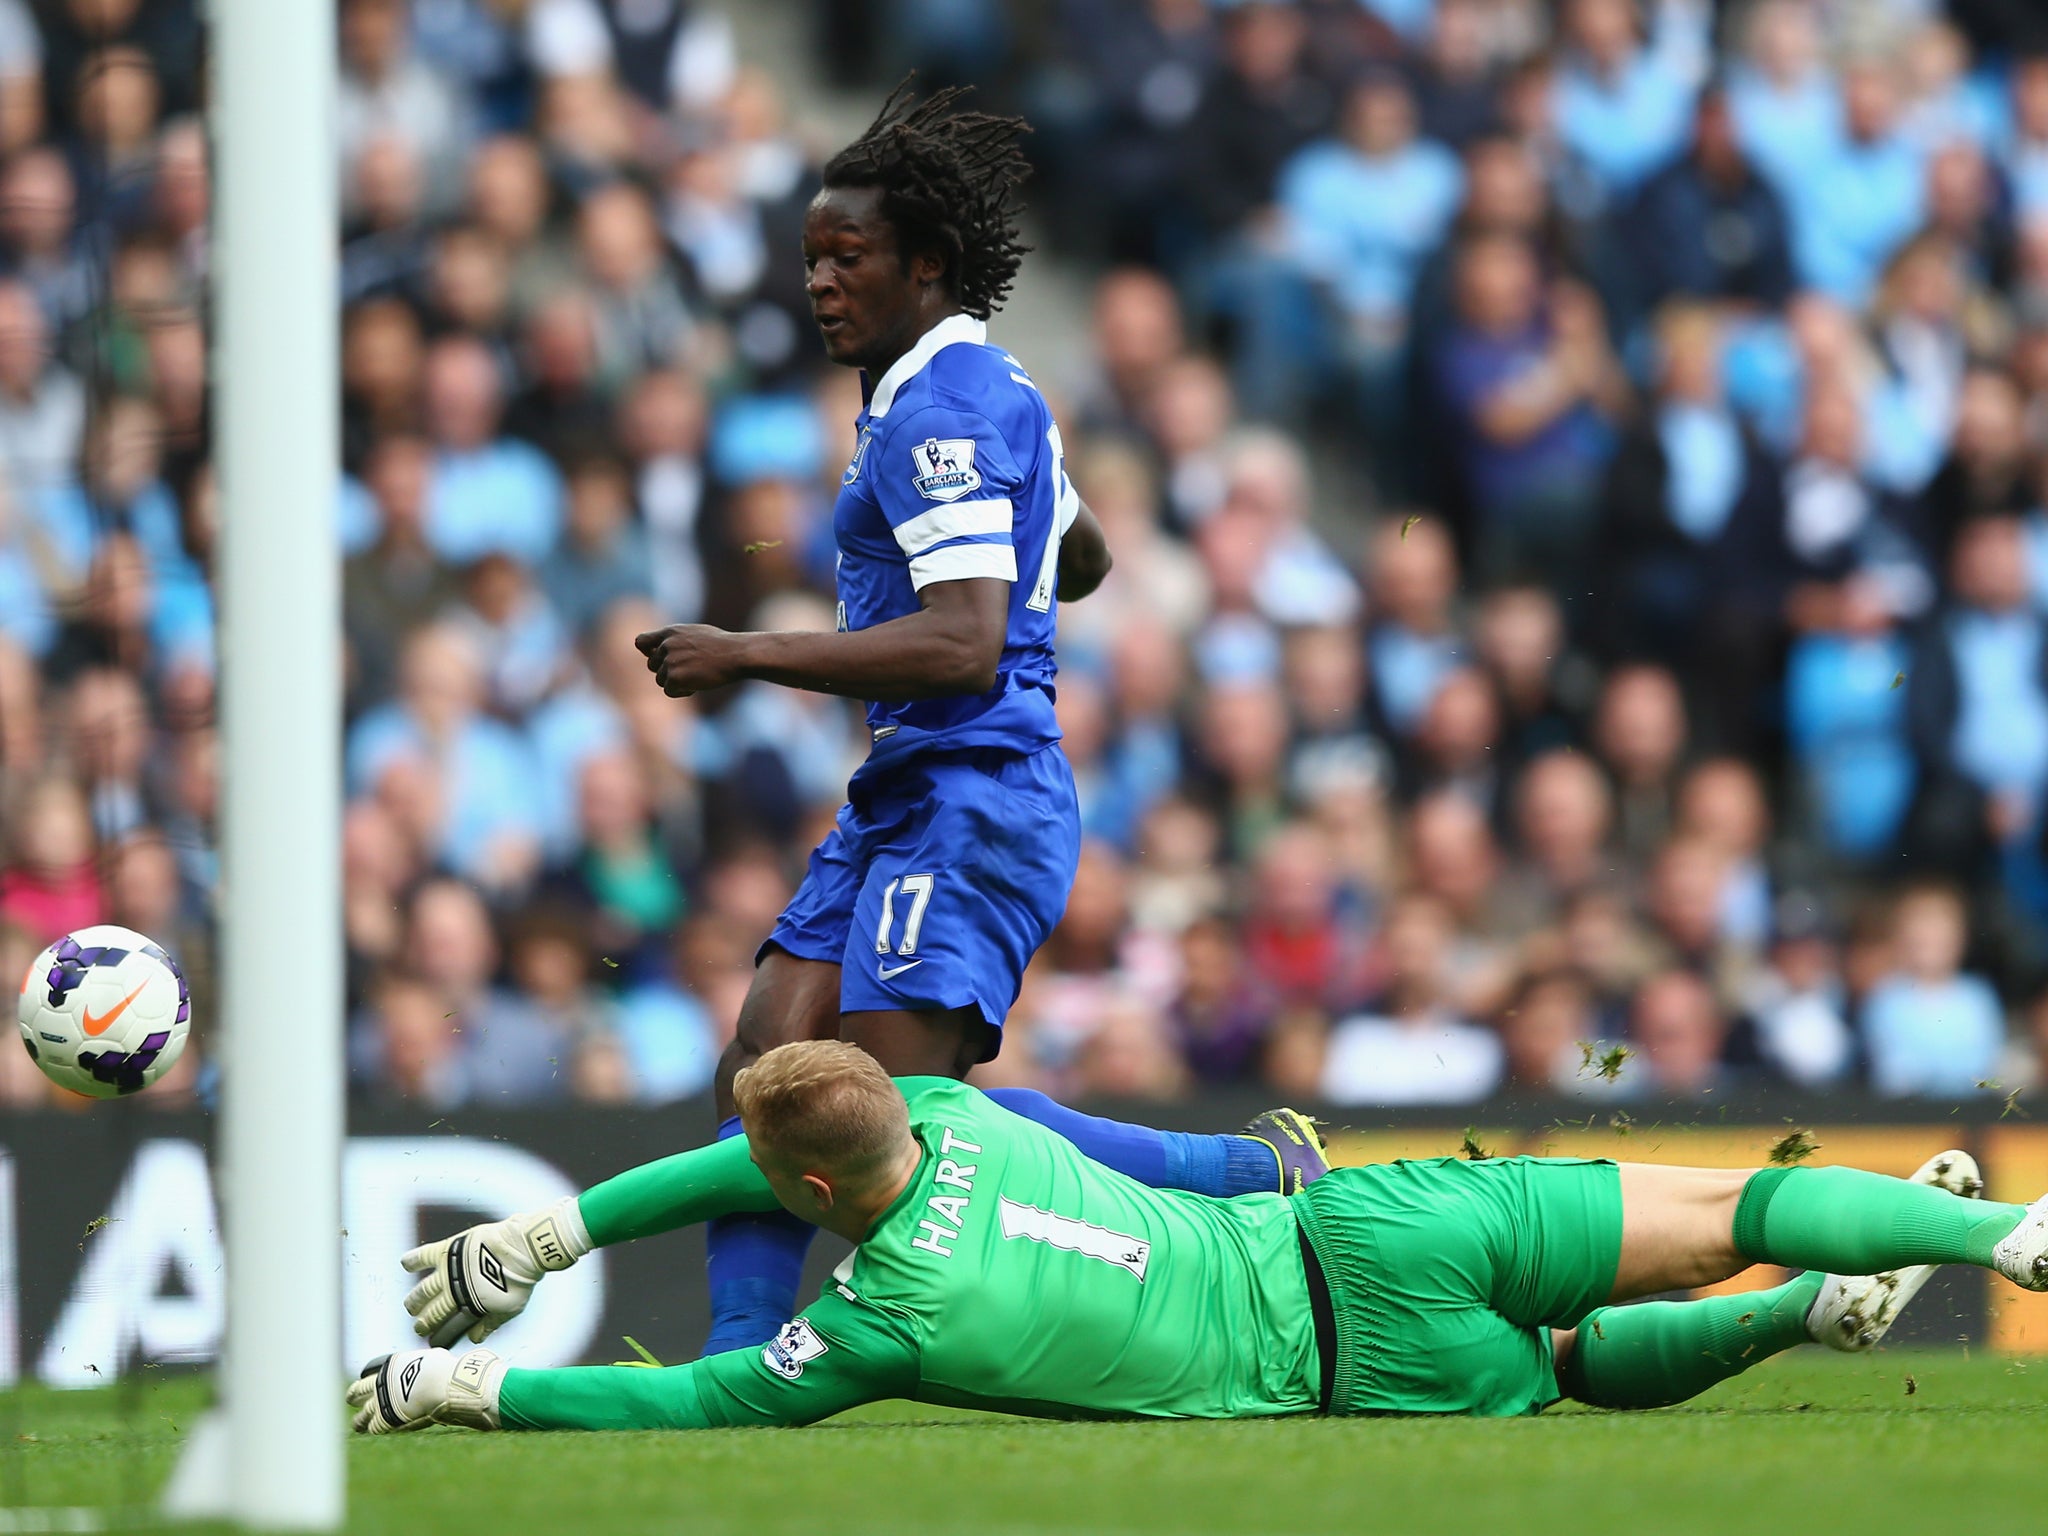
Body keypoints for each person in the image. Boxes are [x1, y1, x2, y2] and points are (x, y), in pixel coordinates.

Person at [631, 85, 1325, 1357]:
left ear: (926, 264)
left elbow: (963, 644)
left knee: (899, 1110)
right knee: (766, 1060)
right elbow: (1088, 553)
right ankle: (733, 1366)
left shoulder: (940, 412)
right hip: (913, 782)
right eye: (810, 261)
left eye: (848, 259)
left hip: (976, 783)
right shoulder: (962, 389)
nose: (821, 284)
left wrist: (746, 652)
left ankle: (1240, 1172)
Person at [356, 1038, 2046, 1434]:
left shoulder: (876, 1319)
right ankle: (2002, 1237)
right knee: (1725, 1205)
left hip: (1339, 1360)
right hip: (1360, 1215)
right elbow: (751, 1158)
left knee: (1574, 1376)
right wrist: (556, 1226)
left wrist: (469, 1391)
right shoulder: (946, 1105)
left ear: (813, 1193)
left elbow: (693, 1403)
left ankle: (1808, 1313)